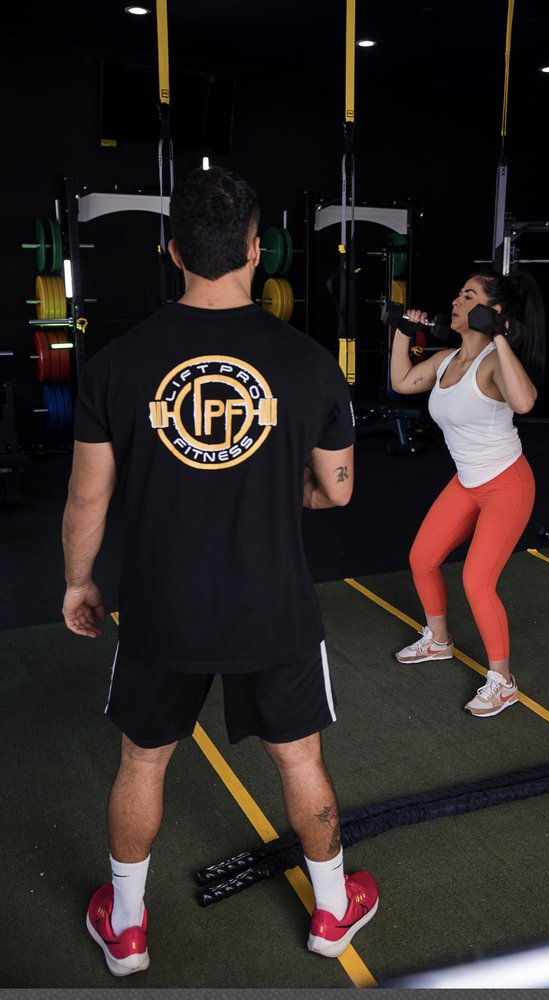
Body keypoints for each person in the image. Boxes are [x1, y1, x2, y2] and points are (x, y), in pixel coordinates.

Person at [61, 166, 378, 978]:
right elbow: (338, 489)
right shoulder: (308, 362)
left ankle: (126, 927)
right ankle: (333, 911)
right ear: (256, 249)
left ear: (173, 251)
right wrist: (271, 485)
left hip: (162, 606)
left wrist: (78, 582)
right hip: (271, 606)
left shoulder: (117, 364)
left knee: (142, 761)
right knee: (299, 760)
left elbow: (87, 498)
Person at [390, 269, 546, 717]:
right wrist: (404, 332)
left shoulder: (495, 361)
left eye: (468, 295)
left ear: (491, 311)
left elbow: (524, 402)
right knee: (422, 559)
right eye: (458, 294)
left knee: (477, 581)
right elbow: (402, 383)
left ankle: (503, 682)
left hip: (506, 484)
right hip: (466, 482)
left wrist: (499, 337)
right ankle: (438, 641)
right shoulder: (445, 360)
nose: (456, 302)